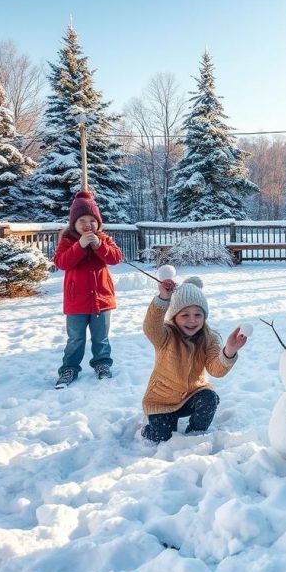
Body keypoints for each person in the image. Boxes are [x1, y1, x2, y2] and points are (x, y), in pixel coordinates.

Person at [141, 275, 247, 443]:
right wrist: (163, 299)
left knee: (209, 398)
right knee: (162, 438)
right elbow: (151, 327)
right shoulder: (165, 335)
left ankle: (195, 434)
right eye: (185, 315)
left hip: (191, 396)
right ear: (174, 316)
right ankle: (148, 430)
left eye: (198, 314)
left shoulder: (210, 338)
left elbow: (215, 370)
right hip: (162, 400)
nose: (192, 320)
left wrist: (229, 351)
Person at [53, 190, 123, 388]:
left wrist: (100, 245)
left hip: (102, 299)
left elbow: (116, 258)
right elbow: (61, 263)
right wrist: (80, 246)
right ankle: (69, 368)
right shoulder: (68, 241)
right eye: (82, 220)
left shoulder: (104, 239)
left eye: (92, 220)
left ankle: (102, 364)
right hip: (77, 302)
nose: (87, 224)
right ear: (73, 223)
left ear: (98, 223)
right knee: (75, 338)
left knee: (101, 337)